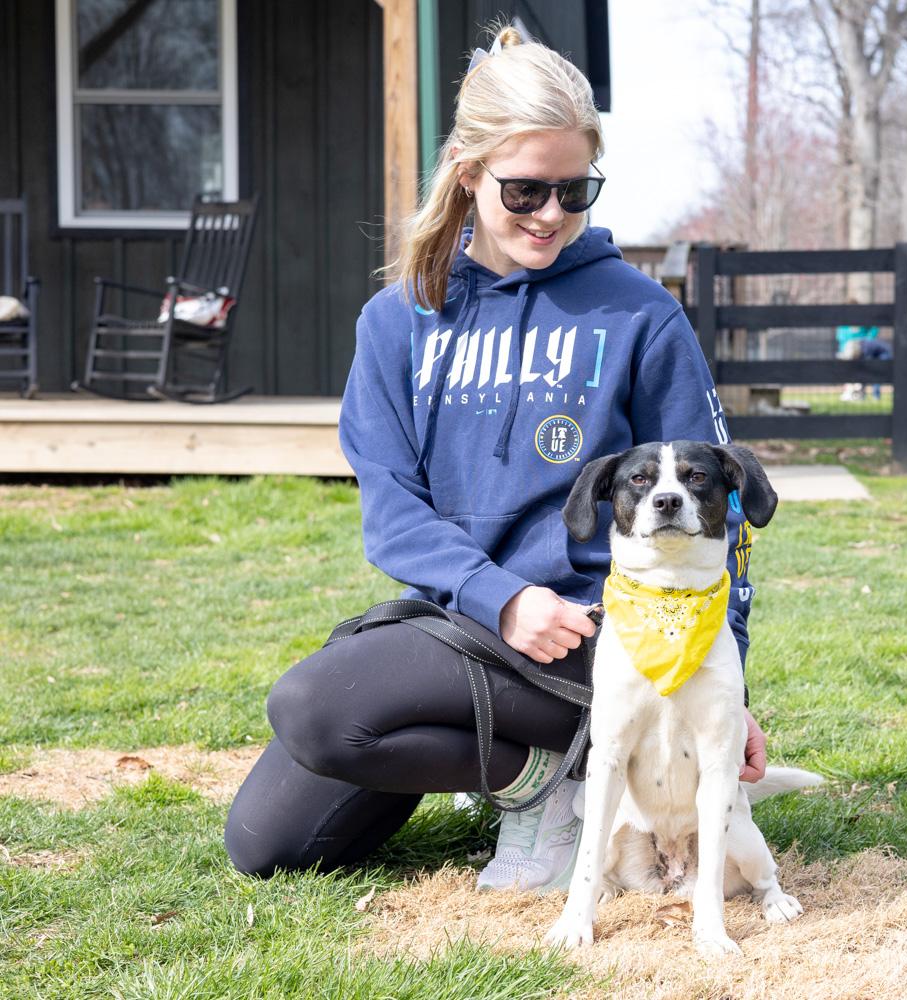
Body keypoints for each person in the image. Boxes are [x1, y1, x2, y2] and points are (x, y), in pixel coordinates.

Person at [224, 24, 768, 891]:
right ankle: (538, 779)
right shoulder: (398, 321)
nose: (551, 215)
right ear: (470, 173)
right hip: (471, 623)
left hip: (608, 636)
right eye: (524, 191)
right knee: (269, 840)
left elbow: (720, 509)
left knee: (315, 703)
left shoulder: (637, 315)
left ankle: (578, 780)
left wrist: (729, 680)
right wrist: (501, 596)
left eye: (573, 190)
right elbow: (391, 507)